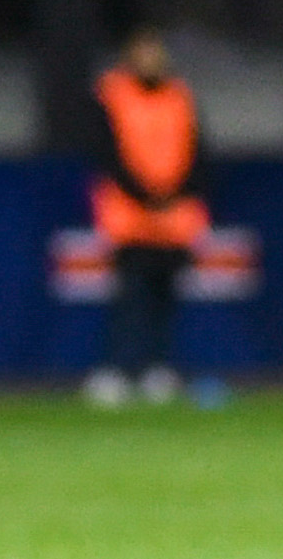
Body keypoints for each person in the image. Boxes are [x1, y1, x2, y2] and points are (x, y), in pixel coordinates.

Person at [85, 27, 209, 406]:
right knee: (129, 297)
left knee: (164, 298)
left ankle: (157, 369)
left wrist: (175, 194)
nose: (150, 60)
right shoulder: (112, 94)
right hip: (130, 218)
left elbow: (198, 150)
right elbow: (106, 154)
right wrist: (147, 196)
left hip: (174, 219)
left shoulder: (179, 95)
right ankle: (118, 370)